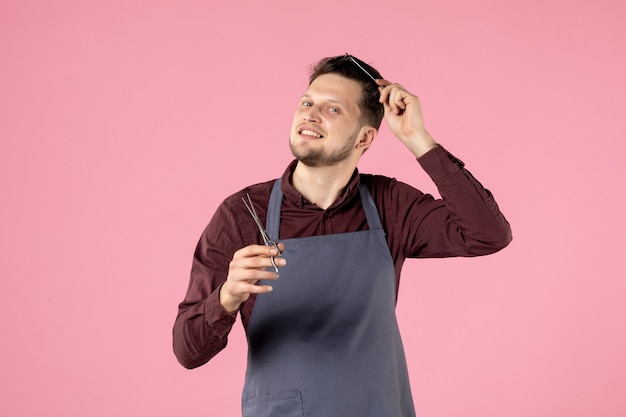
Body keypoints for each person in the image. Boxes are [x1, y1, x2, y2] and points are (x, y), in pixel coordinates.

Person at [173, 54, 512, 416]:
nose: (310, 115)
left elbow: (487, 234)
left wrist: (418, 140)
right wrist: (227, 296)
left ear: (365, 137)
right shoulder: (243, 214)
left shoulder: (388, 204)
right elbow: (188, 351)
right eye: (307, 102)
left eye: (332, 110)